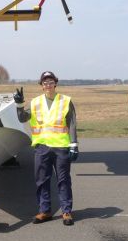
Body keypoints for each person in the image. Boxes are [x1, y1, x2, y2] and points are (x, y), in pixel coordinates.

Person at [14, 70, 79, 226]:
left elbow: (71, 123)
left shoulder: (65, 101)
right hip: (42, 147)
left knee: (63, 180)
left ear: (55, 83)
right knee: (42, 180)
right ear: (41, 85)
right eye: (45, 82)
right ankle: (45, 211)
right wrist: (19, 104)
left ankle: (66, 211)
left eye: (50, 82)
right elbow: (23, 118)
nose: (48, 85)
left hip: (61, 147)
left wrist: (74, 144)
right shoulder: (35, 102)